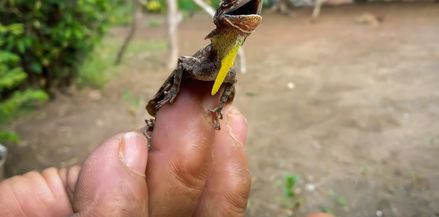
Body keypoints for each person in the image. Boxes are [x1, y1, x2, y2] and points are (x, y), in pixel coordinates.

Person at [0, 80, 332, 217]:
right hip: (169, 123)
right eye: (232, 2)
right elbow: (191, 70)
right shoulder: (211, 56)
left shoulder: (227, 64)